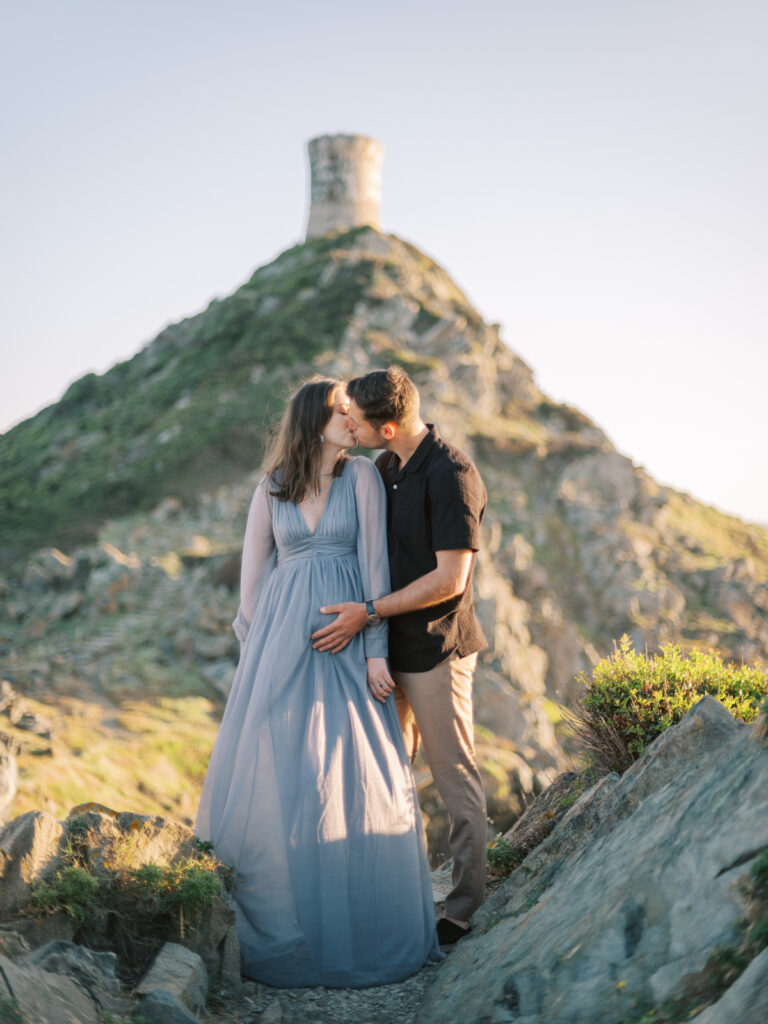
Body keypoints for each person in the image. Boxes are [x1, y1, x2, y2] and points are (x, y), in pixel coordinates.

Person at [195, 376, 441, 987]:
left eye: (353, 412)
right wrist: (256, 664)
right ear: (316, 420)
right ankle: (287, 927)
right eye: (339, 411)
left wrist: (375, 652)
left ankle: (357, 930)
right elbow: (250, 592)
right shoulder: (271, 488)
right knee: (287, 777)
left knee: (353, 772)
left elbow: (375, 566)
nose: (350, 419)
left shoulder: (361, 477)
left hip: (348, 640)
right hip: (281, 645)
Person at [311, 367, 488, 948]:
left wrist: (371, 611)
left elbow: (451, 578)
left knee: (454, 777)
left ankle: (461, 911)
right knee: (386, 779)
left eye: (356, 421)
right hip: (385, 653)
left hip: (436, 652)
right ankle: (398, 901)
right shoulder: (381, 468)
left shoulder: (453, 474)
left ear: (386, 426)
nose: (348, 427)